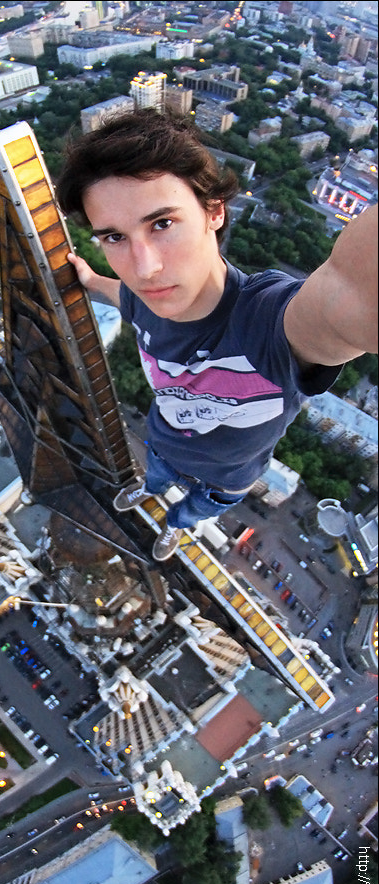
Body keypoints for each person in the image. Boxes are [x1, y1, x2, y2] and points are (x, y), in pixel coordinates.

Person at [55, 109, 377, 561]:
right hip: (164, 445)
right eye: (114, 237)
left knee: (190, 512)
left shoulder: (265, 323)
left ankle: (174, 526)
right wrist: (90, 280)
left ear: (214, 211)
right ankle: (148, 490)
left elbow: (353, 296)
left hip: (226, 479)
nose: (144, 269)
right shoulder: (143, 298)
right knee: (154, 478)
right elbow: (123, 295)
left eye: (162, 224)